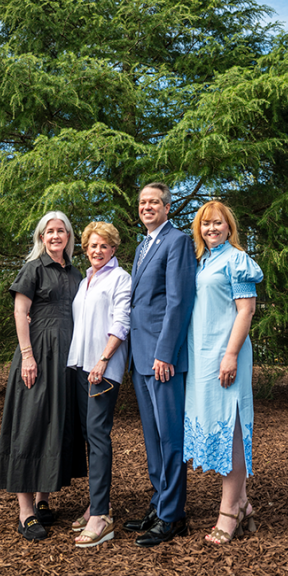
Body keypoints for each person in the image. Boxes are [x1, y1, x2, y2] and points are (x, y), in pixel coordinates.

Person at [0, 211, 86, 540]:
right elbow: (21, 312)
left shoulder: (77, 274)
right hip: (36, 357)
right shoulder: (33, 269)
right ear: (41, 237)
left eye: (61, 231)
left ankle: (44, 500)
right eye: (50, 231)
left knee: (55, 426)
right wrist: (28, 357)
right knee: (30, 426)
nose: (56, 236)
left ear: (69, 237)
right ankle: (25, 511)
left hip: (66, 360)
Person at [183, 200, 263, 544]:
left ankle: (227, 512)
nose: (211, 229)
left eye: (217, 223)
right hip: (201, 357)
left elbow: (246, 311)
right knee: (218, 428)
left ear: (229, 226)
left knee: (230, 430)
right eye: (205, 224)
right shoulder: (203, 261)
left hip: (225, 355)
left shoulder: (236, 260)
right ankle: (242, 503)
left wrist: (230, 354)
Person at [123, 182, 196, 547]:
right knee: (153, 440)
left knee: (170, 438)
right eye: (142, 202)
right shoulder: (142, 246)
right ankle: (158, 504)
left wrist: (165, 352)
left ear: (167, 208)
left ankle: (173, 516)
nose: (147, 207)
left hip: (162, 359)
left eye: (154, 202)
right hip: (141, 358)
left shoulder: (177, 241)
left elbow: (178, 302)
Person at [67, 221, 131, 548]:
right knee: (89, 436)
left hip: (102, 370)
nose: (97, 251)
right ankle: (94, 503)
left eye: (104, 246)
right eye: (92, 245)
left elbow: (121, 322)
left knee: (98, 435)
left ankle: (102, 516)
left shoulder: (120, 278)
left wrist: (103, 359)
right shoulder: (85, 281)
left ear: (113, 249)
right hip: (81, 367)